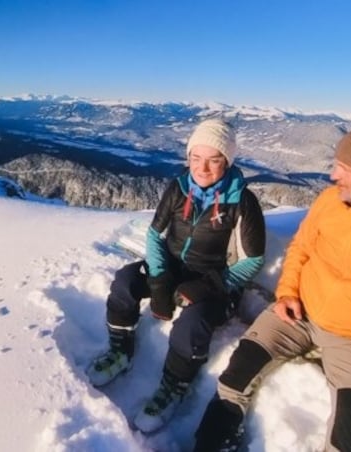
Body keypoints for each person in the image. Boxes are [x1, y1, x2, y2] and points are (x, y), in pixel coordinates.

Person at [193, 121, 351, 451]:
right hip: (297, 312)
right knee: (234, 379)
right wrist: (288, 291)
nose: (333, 176)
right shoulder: (332, 201)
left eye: (344, 169)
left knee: (350, 435)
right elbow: (302, 246)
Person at [86, 118, 266, 433]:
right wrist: (159, 280)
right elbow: (155, 236)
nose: (203, 167)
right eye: (196, 158)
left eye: (213, 160)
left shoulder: (242, 202)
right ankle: (120, 350)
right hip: (172, 267)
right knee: (125, 282)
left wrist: (211, 284)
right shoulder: (179, 187)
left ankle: (174, 386)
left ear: (227, 161)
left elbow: (253, 259)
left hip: (214, 280)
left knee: (193, 324)